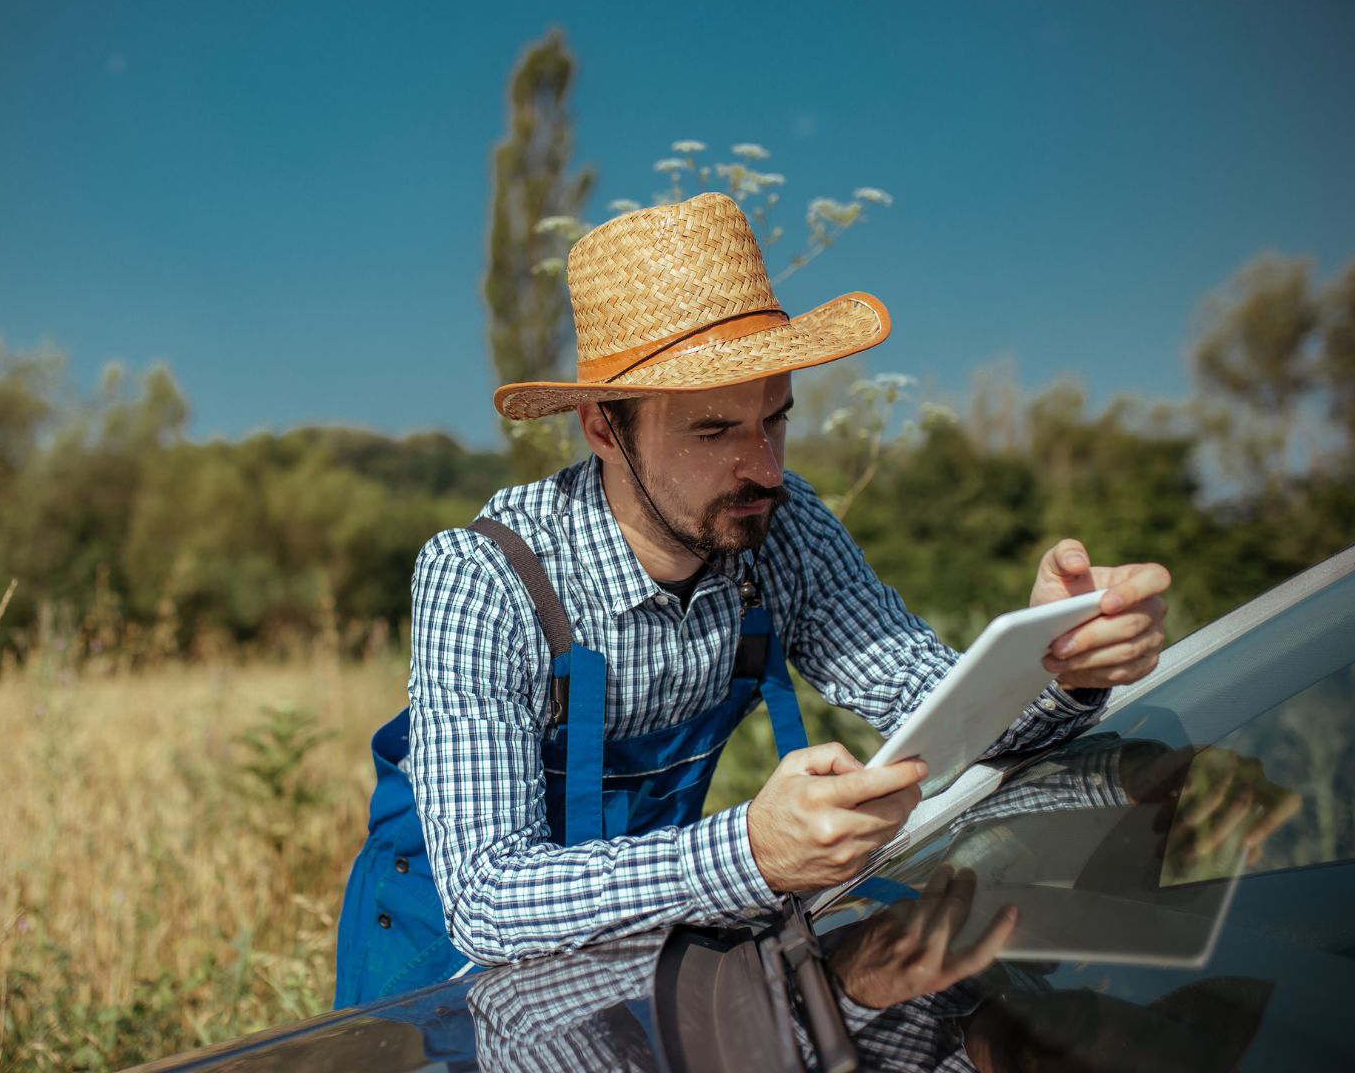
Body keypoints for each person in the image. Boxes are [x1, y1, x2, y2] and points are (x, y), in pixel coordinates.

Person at [332, 191, 1171, 1009]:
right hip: (438, 973)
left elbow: (940, 711)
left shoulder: (780, 524)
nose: (764, 468)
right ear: (600, 428)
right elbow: (486, 900)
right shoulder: (484, 576)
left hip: (639, 937)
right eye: (712, 430)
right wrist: (749, 853)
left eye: (774, 418)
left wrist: (1057, 667)